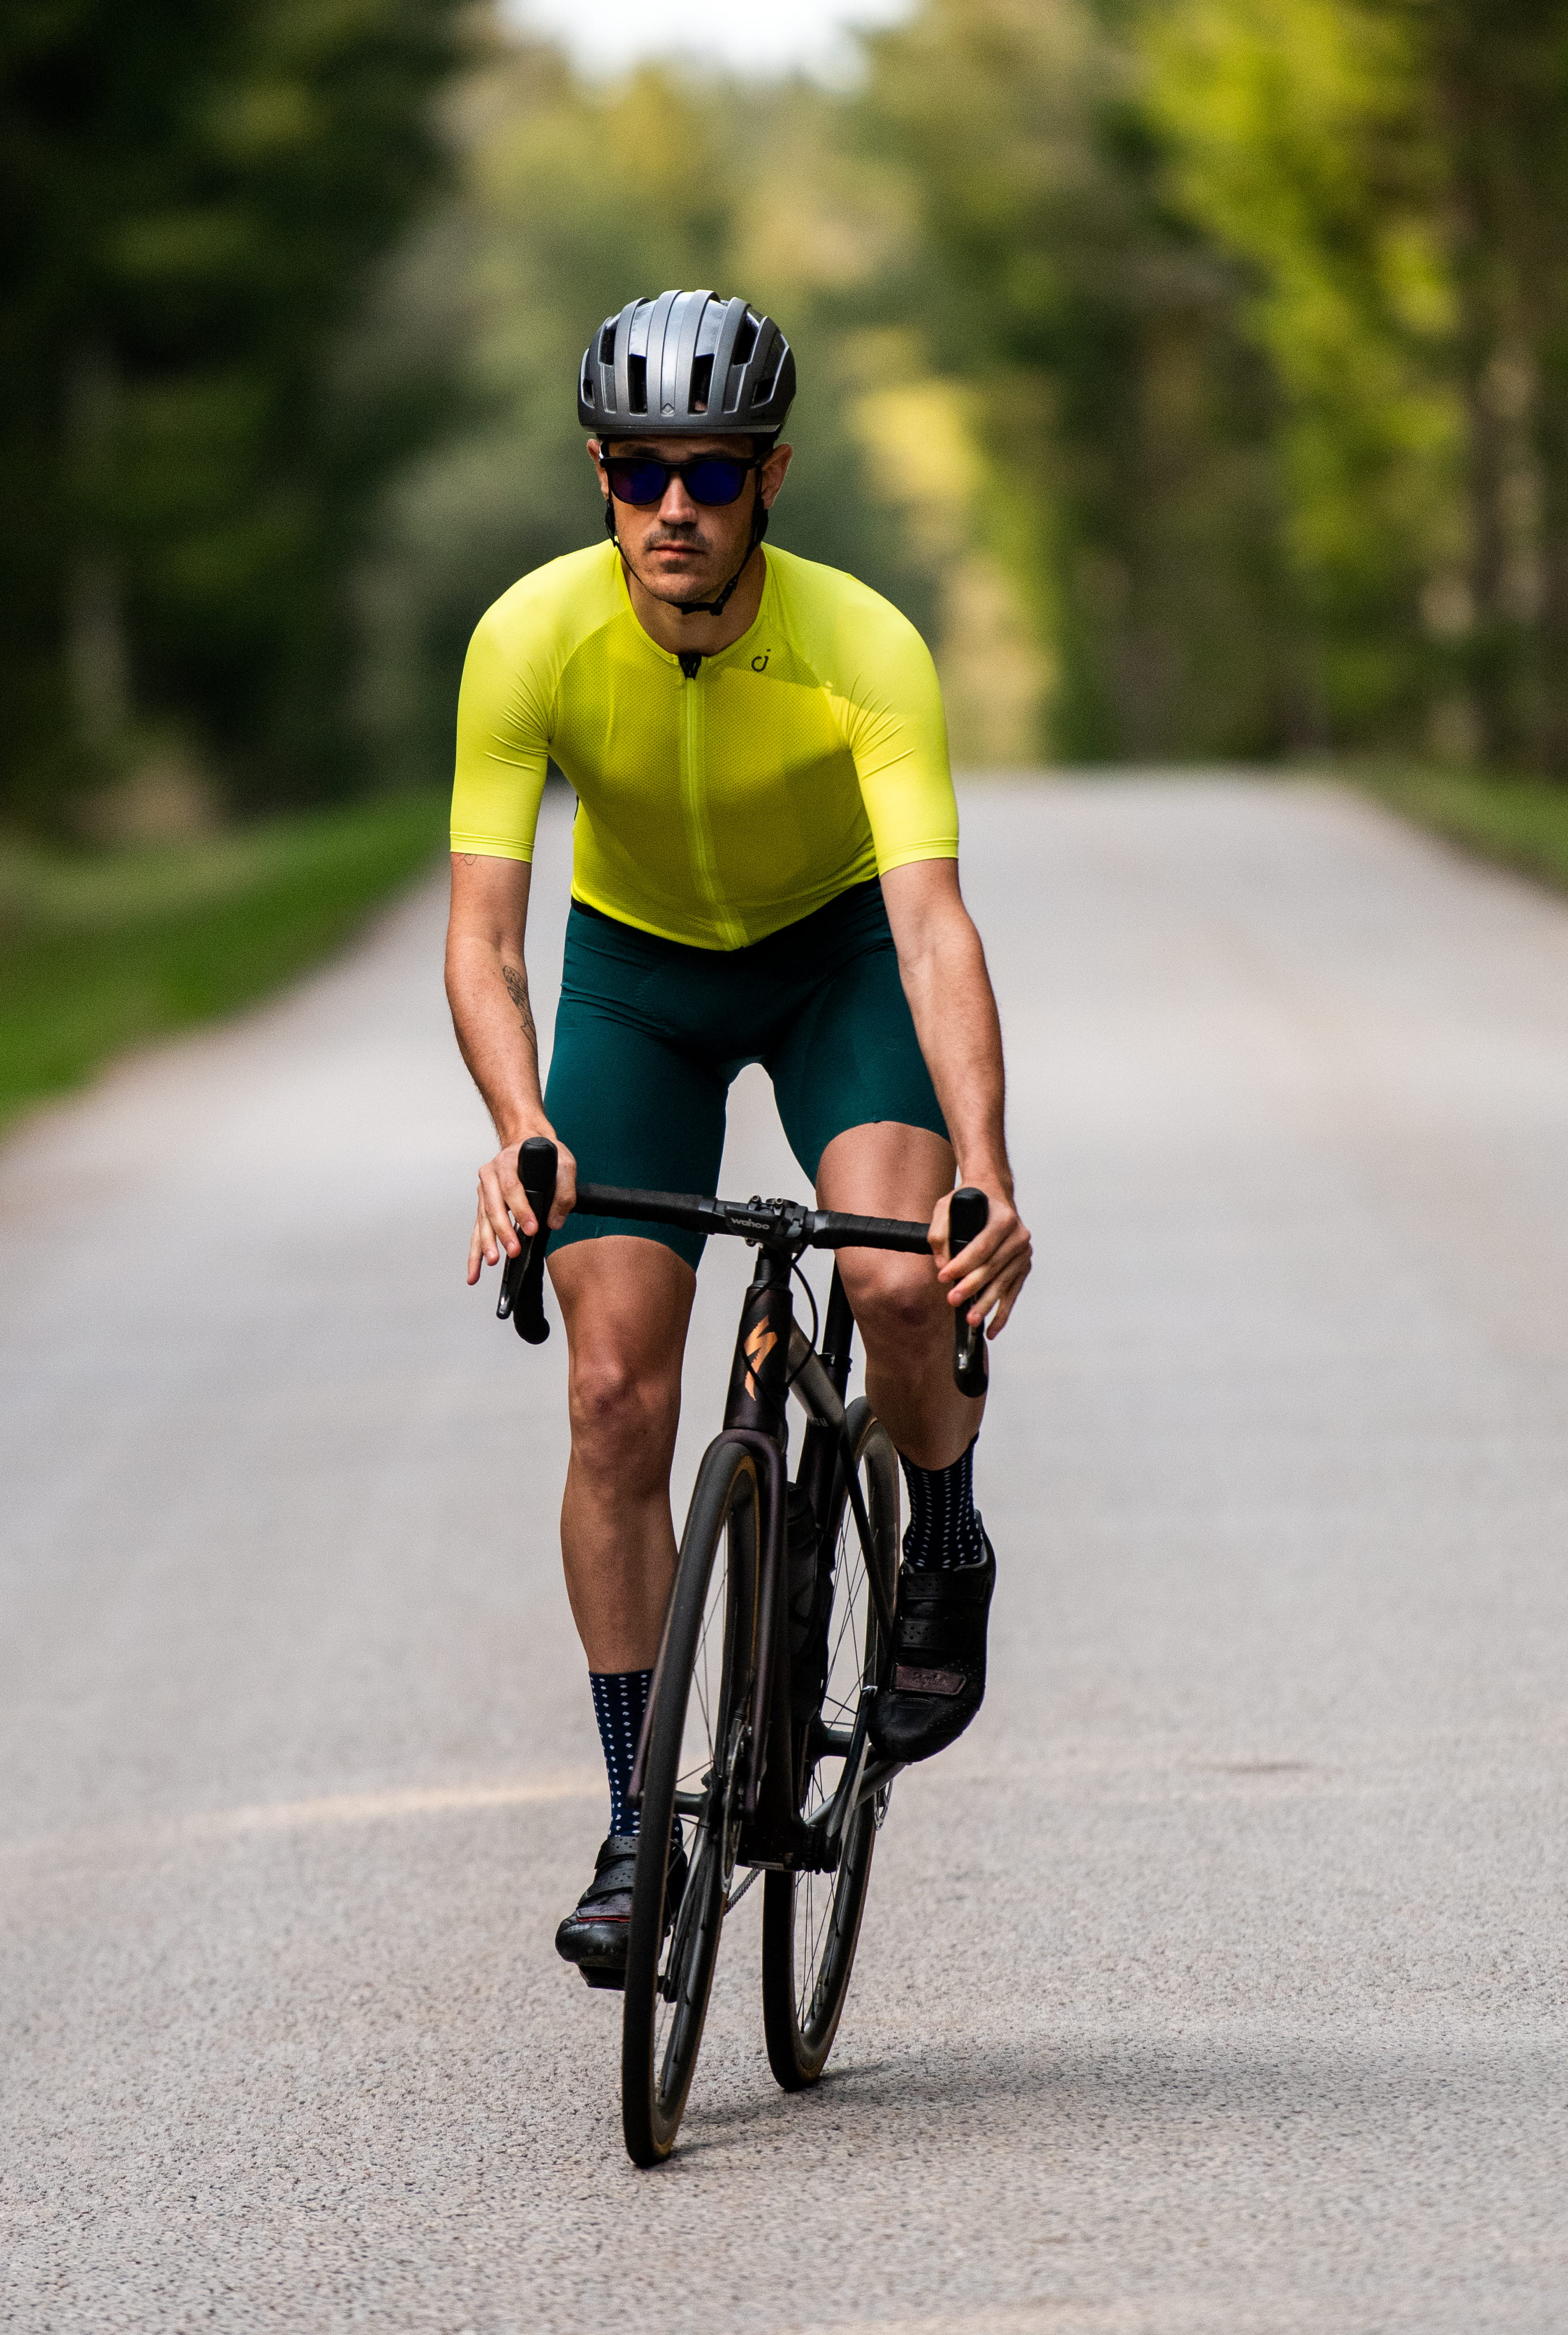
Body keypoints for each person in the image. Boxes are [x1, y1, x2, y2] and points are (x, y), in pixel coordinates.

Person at [443, 288, 1033, 1980]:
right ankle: (640, 1825)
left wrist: (984, 1164)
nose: (672, 508)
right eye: (638, 473)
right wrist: (519, 1125)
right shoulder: (529, 639)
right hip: (636, 985)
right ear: (600, 476)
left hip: (836, 963)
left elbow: (932, 928)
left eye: (709, 471)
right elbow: (484, 938)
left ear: (771, 475)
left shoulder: (864, 645)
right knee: (611, 1397)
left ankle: (944, 1530)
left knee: (900, 1285)